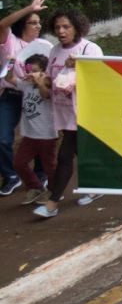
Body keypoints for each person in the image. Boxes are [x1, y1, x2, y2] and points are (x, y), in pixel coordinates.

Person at [34, 9, 104, 218]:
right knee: (80, 152)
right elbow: (50, 80)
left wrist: (79, 66)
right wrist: (39, 80)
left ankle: (52, 202)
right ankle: (96, 185)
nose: (61, 31)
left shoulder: (89, 49)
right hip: (63, 113)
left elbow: (101, 79)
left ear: (77, 27)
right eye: (57, 28)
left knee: (65, 156)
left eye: (66, 27)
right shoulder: (54, 50)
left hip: (84, 112)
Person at [0, 0, 48, 196]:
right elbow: (2, 23)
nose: (37, 26)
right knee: (2, 138)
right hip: (10, 95)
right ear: (23, 24)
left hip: (34, 95)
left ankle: (41, 174)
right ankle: (11, 176)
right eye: (32, 22)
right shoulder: (10, 40)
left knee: (39, 134)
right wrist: (30, 8)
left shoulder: (44, 46)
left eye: (39, 23)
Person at [13, 53, 58, 216]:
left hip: (46, 135)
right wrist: (11, 63)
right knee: (19, 163)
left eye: (34, 71)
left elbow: (46, 95)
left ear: (44, 72)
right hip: (29, 135)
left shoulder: (48, 85)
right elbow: (11, 79)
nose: (29, 74)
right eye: (27, 70)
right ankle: (36, 187)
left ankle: (54, 192)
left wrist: (40, 81)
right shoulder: (25, 85)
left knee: (50, 167)